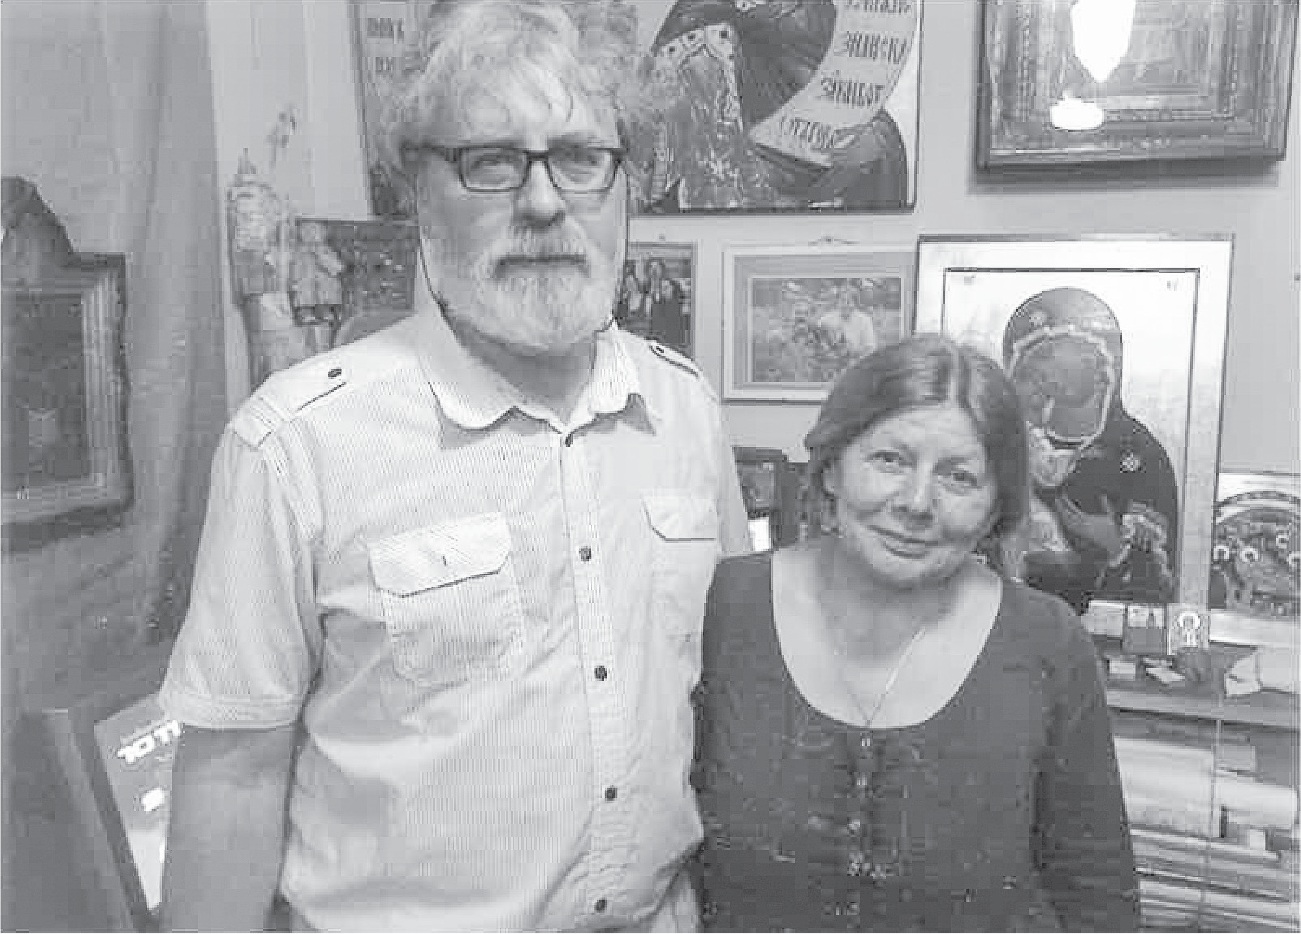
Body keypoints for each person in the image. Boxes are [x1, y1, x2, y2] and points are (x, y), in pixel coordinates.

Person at [157, 2, 750, 930]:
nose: (546, 202)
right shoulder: (295, 444)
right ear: (417, 191)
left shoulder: (684, 410)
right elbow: (232, 782)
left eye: (582, 157)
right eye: (493, 161)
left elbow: (716, 699)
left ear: (624, 181)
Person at [692, 334, 1139, 931]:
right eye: (890, 461)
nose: (917, 502)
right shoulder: (722, 608)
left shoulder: (1046, 644)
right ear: (831, 470)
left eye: (958, 477)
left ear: (995, 506)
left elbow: (1096, 891)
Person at [1002, 287, 1179, 615]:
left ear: (1097, 358)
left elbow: (1157, 586)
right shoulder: (1012, 444)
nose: (1043, 369)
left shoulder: (1139, 455)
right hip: (1012, 624)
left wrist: (1111, 543)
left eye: (1052, 354)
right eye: (1035, 358)